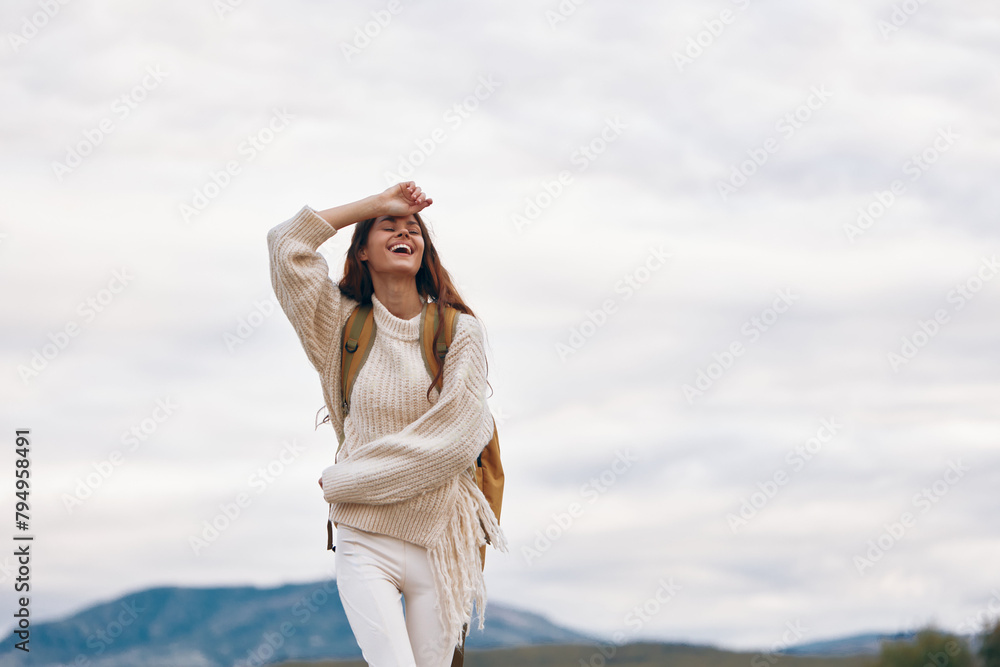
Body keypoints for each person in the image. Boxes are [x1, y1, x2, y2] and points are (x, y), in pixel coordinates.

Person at [266, 181, 507, 667]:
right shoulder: (337, 325)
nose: (404, 232)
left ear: (424, 251)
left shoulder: (459, 330)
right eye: (388, 226)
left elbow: (457, 438)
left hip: (440, 539)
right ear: (361, 252)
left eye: (413, 228)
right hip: (364, 537)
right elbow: (286, 244)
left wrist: (347, 480)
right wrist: (375, 204)